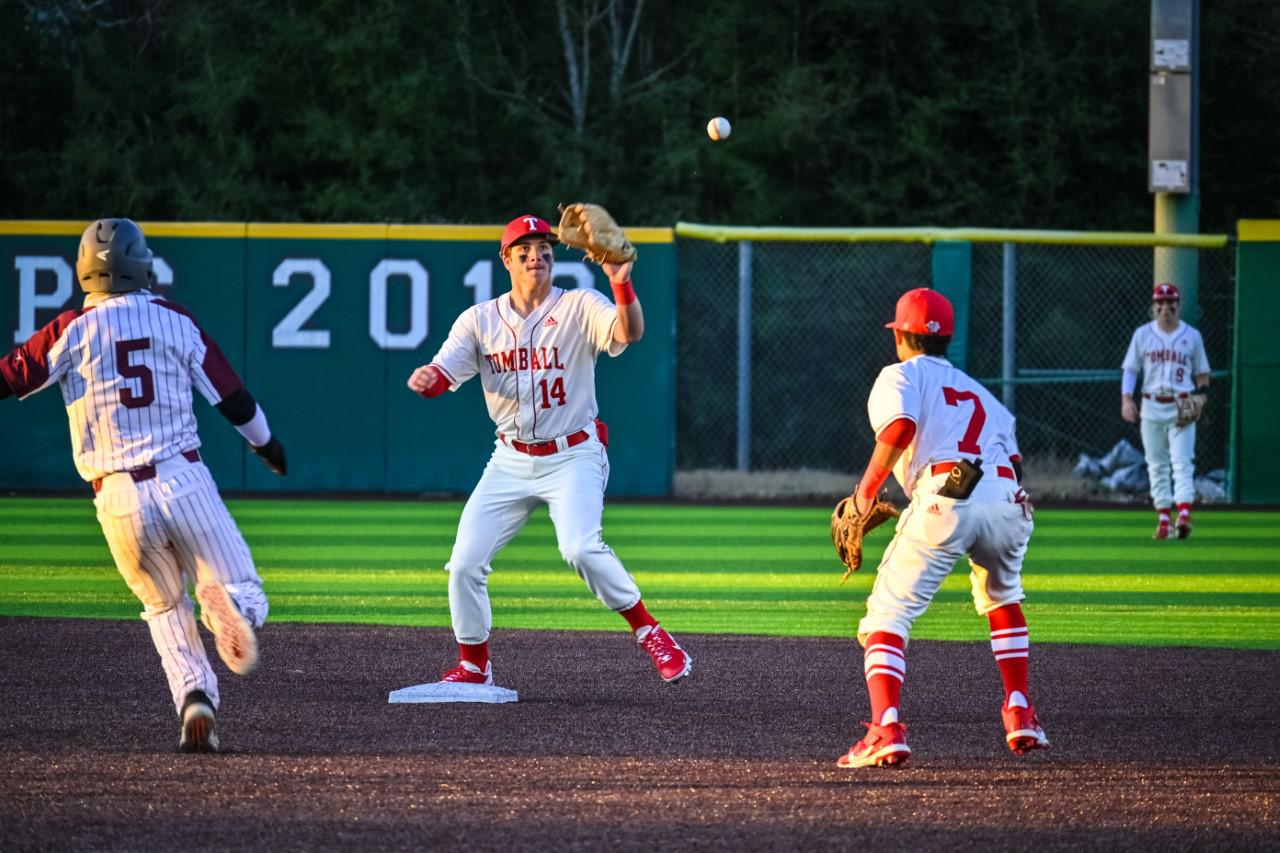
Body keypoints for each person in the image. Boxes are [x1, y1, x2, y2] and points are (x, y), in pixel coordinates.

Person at [0, 218, 287, 753]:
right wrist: (267, 445)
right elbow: (232, 398)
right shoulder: (175, 321)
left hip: (115, 497)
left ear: (84, 270)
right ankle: (232, 608)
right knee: (245, 590)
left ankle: (195, 700)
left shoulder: (68, 330)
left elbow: (9, 375)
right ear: (142, 264)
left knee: (163, 607)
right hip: (182, 478)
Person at [406, 214, 691, 688]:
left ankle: (650, 631)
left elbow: (629, 333)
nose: (536, 256)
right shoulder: (479, 321)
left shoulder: (580, 305)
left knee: (579, 546)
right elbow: (444, 372)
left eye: (544, 249)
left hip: (573, 454)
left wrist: (621, 283)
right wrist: (428, 380)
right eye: (525, 250)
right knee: (464, 563)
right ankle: (474, 664)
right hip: (511, 459)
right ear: (507, 259)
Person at [836, 287, 1047, 768]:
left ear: (900, 336)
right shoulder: (979, 391)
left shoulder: (899, 375)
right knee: (1002, 598)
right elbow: (1013, 462)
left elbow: (899, 429)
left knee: (886, 616)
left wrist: (865, 493)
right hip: (1007, 498)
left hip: (947, 490)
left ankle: (885, 728)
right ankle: (1020, 711)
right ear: (946, 338)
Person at [1121, 282, 1210, 539]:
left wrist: (1202, 397)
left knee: (1182, 461)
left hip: (1181, 404)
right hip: (1150, 405)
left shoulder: (1192, 336)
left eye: (1170, 303)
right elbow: (1130, 370)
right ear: (1154, 307)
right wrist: (1127, 399)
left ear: (1177, 306)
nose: (1165, 308)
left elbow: (1202, 373)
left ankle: (1183, 513)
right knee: (1156, 464)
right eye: (1160, 303)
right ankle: (1163, 519)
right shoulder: (1143, 334)